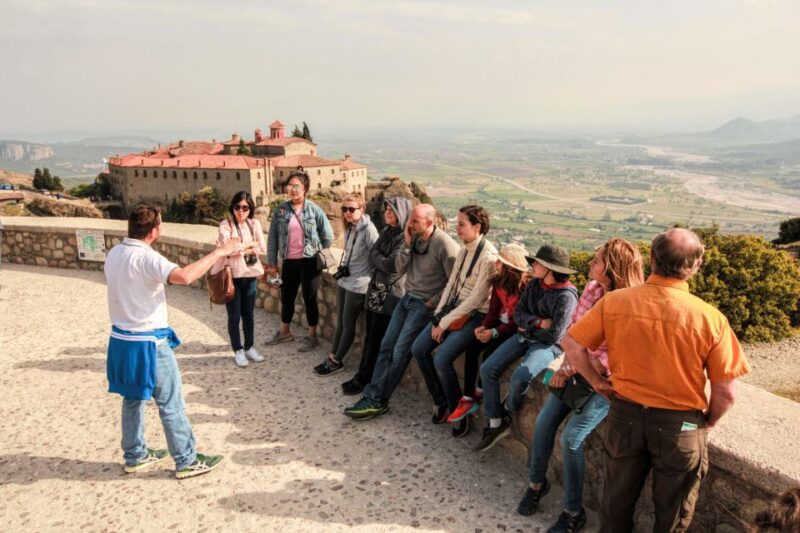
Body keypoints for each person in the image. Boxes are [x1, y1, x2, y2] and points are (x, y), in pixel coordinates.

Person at [565, 228, 751, 532]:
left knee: (615, 506)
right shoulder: (710, 319)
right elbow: (727, 391)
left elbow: (572, 344)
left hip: (625, 415)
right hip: (680, 428)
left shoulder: (616, 302)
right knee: (673, 516)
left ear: (651, 259)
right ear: (696, 266)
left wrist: (597, 383)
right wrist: (710, 421)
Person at [517, 239, 644, 533]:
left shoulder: (632, 302)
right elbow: (574, 333)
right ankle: (537, 484)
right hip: (579, 370)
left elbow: (614, 355)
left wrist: (574, 367)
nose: (590, 264)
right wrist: (567, 365)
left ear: (612, 271)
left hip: (610, 382)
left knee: (571, 439)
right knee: (543, 423)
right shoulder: (592, 290)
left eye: (597, 261)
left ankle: (574, 512)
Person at [105, 203, 240, 479]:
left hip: (121, 340)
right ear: (154, 231)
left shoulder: (114, 253)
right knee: (171, 403)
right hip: (149, 344)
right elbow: (185, 276)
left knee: (132, 400)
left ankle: (135, 455)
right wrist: (219, 252)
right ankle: (186, 459)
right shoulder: (148, 258)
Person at [344, 203, 459, 420]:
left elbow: (454, 283)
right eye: (410, 220)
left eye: (415, 221)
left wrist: (433, 302)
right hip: (406, 299)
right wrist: (406, 243)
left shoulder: (445, 245)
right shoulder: (413, 238)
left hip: (423, 306)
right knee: (386, 346)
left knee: (399, 353)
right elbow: (399, 267)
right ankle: (373, 395)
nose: (410, 224)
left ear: (429, 222)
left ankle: (378, 400)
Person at [477, 244, 578, 451]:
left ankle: (507, 408)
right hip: (524, 336)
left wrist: (528, 326)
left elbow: (554, 335)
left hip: (548, 346)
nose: (532, 265)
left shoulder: (566, 297)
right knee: (487, 369)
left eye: (537, 263)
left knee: (520, 377)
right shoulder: (534, 284)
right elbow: (519, 314)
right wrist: (539, 322)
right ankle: (496, 422)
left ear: (550, 269)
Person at [411, 205, 497, 437]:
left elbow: (475, 300)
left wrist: (444, 323)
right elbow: (450, 286)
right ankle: (441, 401)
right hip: (453, 311)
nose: (456, 227)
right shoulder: (463, 250)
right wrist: (439, 317)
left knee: (442, 359)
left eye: (461, 224)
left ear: (477, 227)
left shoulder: (488, 257)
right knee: (419, 348)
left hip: (474, 316)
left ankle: (458, 410)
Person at [446, 242, 530, 426]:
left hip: (513, 330)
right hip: (500, 325)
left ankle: (478, 391)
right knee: (472, 347)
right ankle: (468, 397)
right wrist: (484, 326)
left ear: (510, 268)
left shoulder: (525, 289)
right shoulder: (498, 283)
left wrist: (494, 332)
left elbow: (518, 321)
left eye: (500, 263)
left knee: (489, 354)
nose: (496, 265)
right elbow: (494, 310)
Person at [340, 197, 412, 395]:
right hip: (377, 288)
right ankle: (363, 376)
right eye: (387, 209)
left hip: (389, 294)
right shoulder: (387, 232)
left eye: (392, 210)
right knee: (370, 336)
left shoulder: (404, 238)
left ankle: (367, 380)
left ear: (402, 213)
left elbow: (391, 265)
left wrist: (378, 258)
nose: (387, 212)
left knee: (379, 339)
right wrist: (380, 258)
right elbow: (373, 255)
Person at [265, 171, 334, 352]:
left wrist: (317, 251)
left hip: (309, 262)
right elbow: (272, 238)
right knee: (287, 297)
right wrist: (271, 262)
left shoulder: (314, 210)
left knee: (309, 298)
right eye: (290, 186)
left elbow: (328, 236)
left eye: (297, 186)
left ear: (305, 189)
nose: (293, 190)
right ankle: (284, 332)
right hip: (289, 261)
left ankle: (312, 336)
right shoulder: (280, 210)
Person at [313, 193, 379, 376]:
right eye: (345, 209)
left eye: (352, 209)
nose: (347, 213)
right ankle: (332, 356)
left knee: (348, 323)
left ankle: (337, 361)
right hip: (345, 280)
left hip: (359, 285)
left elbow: (377, 257)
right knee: (340, 322)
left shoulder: (369, 229)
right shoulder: (350, 227)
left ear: (362, 209)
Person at [217, 191, 267, 368]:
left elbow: (262, 248)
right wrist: (250, 245)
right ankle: (237, 350)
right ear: (232, 207)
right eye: (237, 207)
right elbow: (228, 250)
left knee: (249, 315)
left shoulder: (254, 224)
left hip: (250, 275)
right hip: (233, 276)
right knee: (234, 316)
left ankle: (249, 347)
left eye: (245, 207)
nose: (241, 211)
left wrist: (241, 247)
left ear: (250, 209)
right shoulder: (226, 225)